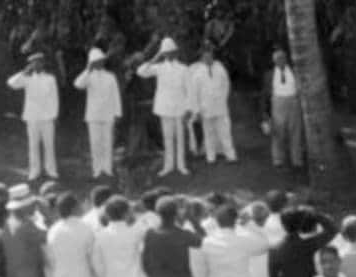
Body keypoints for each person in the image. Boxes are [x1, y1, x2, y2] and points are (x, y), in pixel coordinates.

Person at [136, 36, 193, 177]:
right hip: (165, 106)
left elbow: (189, 89)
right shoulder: (159, 67)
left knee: (180, 137)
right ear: (163, 54)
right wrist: (155, 57)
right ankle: (168, 166)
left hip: (180, 106)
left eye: (171, 52)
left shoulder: (184, 69)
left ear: (176, 52)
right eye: (166, 52)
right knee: (167, 137)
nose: (169, 54)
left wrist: (188, 108)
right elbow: (141, 72)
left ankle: (181, 166)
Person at [7, 53, 60, 181]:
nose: (37, 65)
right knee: (33, 145)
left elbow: (55, 98)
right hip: (32, 116)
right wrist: (24, 72)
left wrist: (55, 114)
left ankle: (51, 170)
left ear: (43, 63)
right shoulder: (27, 78)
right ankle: (34, 171)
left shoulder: (50, 78)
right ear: (30, 64)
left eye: (39, 62)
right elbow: (11, 83)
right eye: (34, 63)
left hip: (47, 116)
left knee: (49, 145)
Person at [73, 47, 122, 179]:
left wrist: (117, 113)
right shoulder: (88, 76)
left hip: (108, 113)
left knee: (108, 142)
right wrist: (88, 69)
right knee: (95, 143)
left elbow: (115, 95)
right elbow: (78, 84)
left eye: (101, 60)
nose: (99, 63)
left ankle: (107, 169)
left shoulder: (110, 76)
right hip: (93, 114)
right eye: (96, 61)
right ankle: (97, 170)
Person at [190, 40, 237, 163]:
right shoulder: (197, 73)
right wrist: (197, 111)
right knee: (208, 133)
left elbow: (227, 85)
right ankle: (211, 157)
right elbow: (194, 93)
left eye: (210, 56)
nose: (208, 58)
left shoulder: (220, 68)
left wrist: (223, 99)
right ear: (202, 57)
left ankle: (230, 155)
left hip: (220, 106)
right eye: (205, 56)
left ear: (212, 56)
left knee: (225, 132)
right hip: (205, 108)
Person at [266, 47, 304, 170]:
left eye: (282, 58)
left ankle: (297, 160)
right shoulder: (269, 74)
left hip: (293, 102)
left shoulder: (294, 71)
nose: (280, 61)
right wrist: (264, 114)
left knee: (295, 131)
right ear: (273, 61)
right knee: (278, 132)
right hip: (277, 103)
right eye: (277, 59)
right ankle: (278, 159)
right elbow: (265, 95)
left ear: (286, 59)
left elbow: (301, 88)